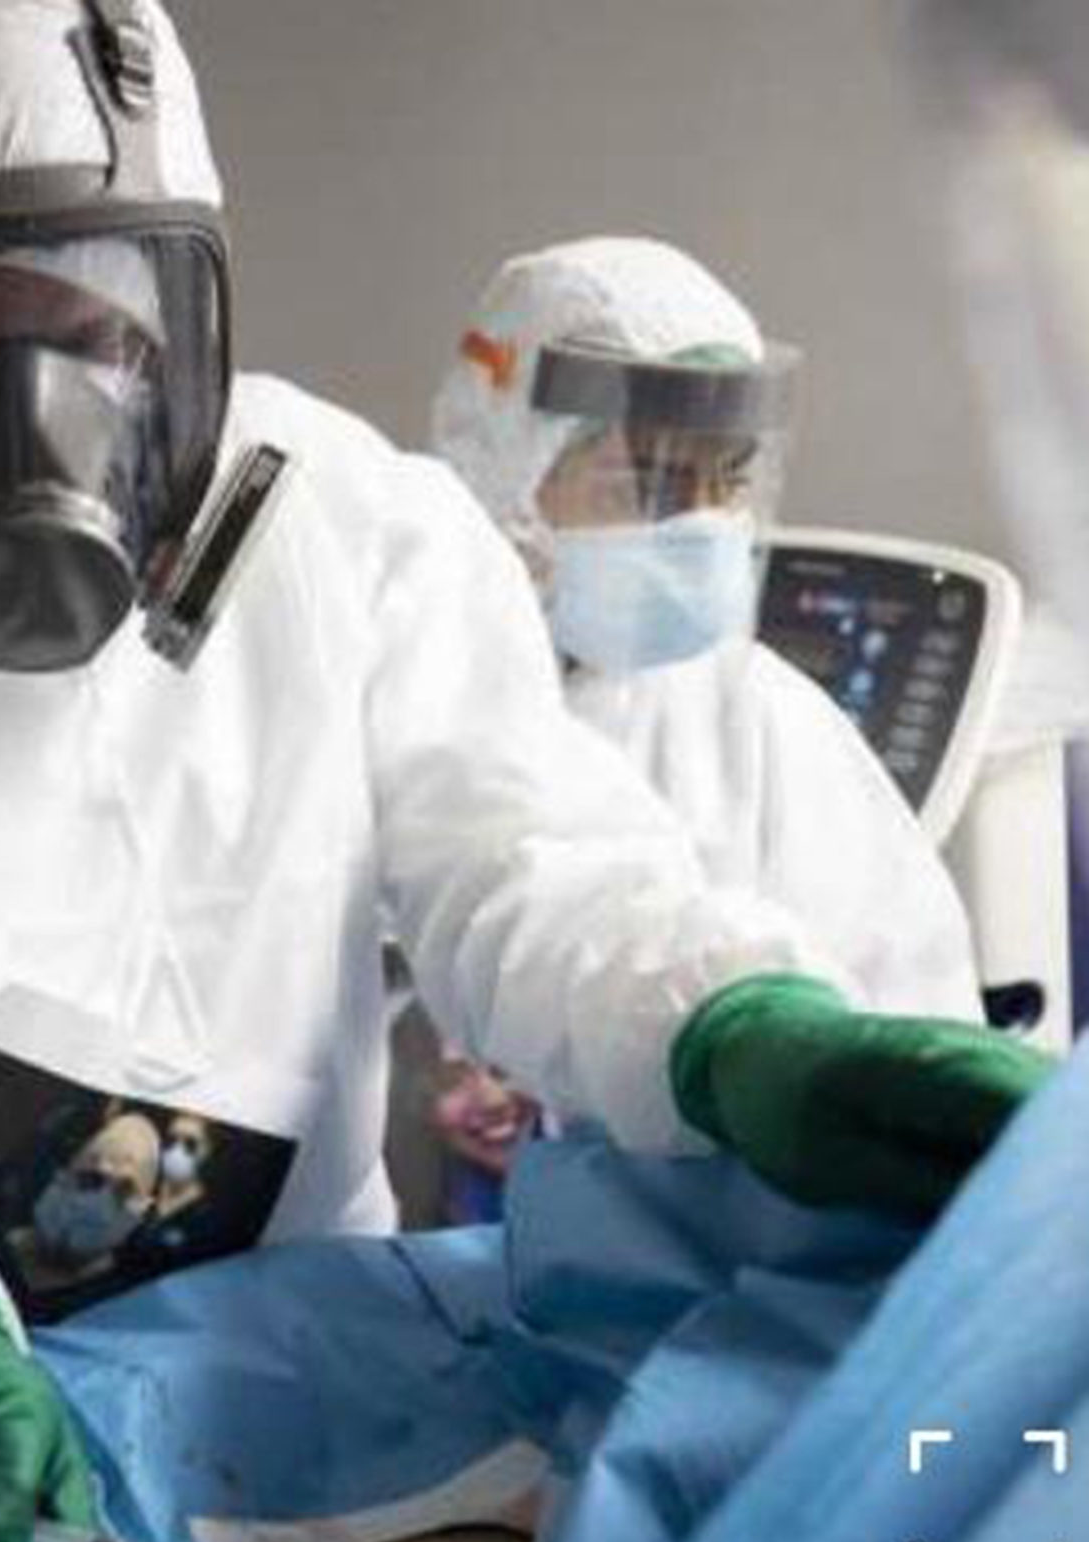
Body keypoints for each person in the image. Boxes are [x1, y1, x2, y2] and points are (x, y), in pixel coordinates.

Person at [0, 0, 1048, 1542]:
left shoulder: (358, 526)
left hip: (292, 1357)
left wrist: (732, 1028)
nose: (31, 413)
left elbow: (530, 867)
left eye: (94, 333)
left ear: (190, 310)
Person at [421, 236, 984, 1208]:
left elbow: (902, 1047)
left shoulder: (760, 727)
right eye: (649, 480)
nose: (700, 521)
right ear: (512, 461)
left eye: (725, 479)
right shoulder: (402, 685)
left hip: (707, 1279)